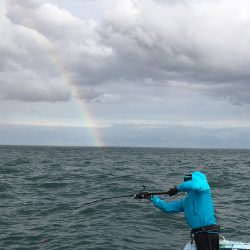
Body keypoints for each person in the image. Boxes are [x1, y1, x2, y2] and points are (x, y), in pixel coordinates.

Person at [144, 171, 220, 250]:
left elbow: (194, 185)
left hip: (209, 232)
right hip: (197, 234)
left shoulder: (204, 188)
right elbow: (167, 208)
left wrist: (176, 189)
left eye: (189, 180)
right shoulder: (185, 202)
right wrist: (151, 197)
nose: (187, 182)